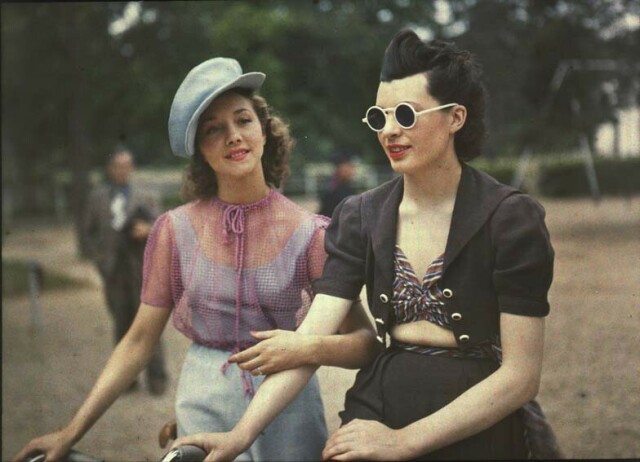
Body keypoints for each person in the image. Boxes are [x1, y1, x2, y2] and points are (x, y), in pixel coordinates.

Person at [170, 30, 558, 461]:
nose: (390, 131)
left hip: (475, 413)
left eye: (407, 115)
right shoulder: (360, 215)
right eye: (380, 117)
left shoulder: (511, 218)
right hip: (378, 404)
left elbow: (522, 376)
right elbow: (310, 338)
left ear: (456, 118)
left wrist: (404, 441)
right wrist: (240, 435)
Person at [13, 57, 378, 462]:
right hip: (203, 403)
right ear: (200, 150)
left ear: (264, 131)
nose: (233, 137)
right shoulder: (174, 230)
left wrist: (306, 349)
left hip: (289, 411)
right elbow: (137, 341)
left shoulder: (313, 233)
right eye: (213, 129)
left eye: (243, 121)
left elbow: (365, 344)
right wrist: (69, 432)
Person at [82, 147, 168, 395]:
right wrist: (100, 259)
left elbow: (164, 228)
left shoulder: (145, 196)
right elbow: (88, 232)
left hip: (142, 269)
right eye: (118, 166)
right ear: (110, 170)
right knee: (121, 324)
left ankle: (157, 379)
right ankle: (125, 381)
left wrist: (148, 229)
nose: (123, 171)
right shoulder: (98, 197)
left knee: (150, 326)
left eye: (127, 166)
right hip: (114, 271)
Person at [318, 150, 358, 218]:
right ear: (339, 168)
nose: (352, 170)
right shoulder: (332, 190)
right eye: (349, 166)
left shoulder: (348, 187)